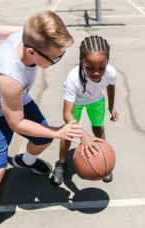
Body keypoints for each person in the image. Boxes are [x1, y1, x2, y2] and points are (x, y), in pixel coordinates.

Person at [0, 10, 82, 228]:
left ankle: (26, 161)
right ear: (32, 52)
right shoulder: (10, 75)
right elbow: (16, 123)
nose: (57, 61)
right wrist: (59, 131)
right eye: (54, 58)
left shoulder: (26, 35)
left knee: (42, 137)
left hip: (17, 97)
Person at [51, 35, 119, 186]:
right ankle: (61, 163)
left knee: (98, 127)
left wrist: (111, 106)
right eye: (90, 67)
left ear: (107, 62)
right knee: (68, 131)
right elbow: (67, 114)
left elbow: (110, 86)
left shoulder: (111, 72)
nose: (96, 73)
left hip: (96, 99)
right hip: (76, 100)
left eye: (102, 67)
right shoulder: (73, 78)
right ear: (82, 62)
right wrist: (83, 135)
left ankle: (101, 159)